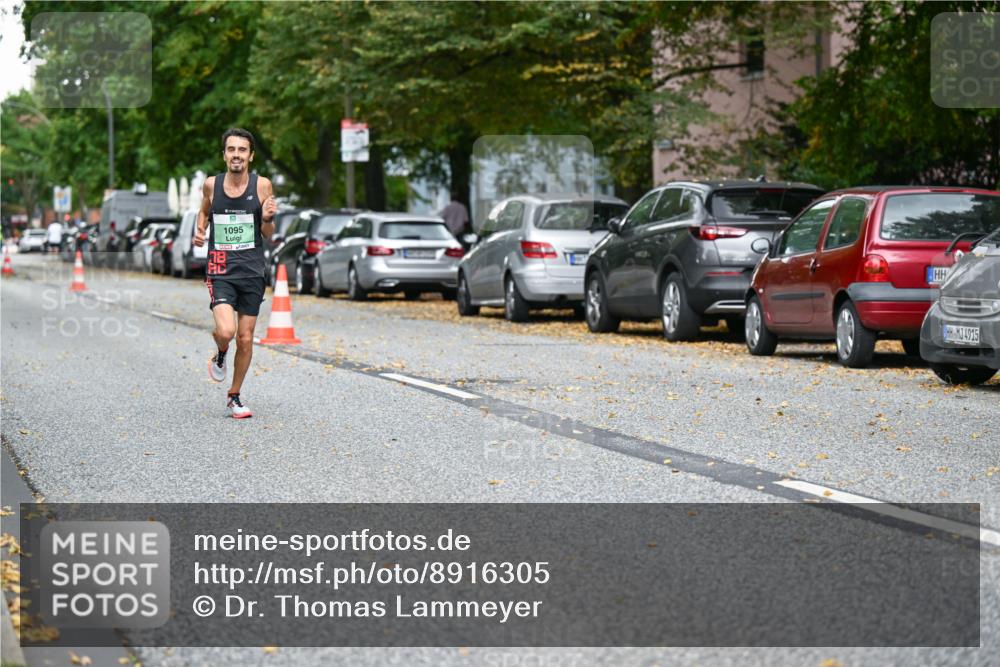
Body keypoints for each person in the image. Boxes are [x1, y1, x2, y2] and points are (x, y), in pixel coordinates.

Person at [193, 128, 277, 419]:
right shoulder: (211, 185)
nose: (237, 155)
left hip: (252, 270)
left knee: (245, 337)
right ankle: (220, 352)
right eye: (231, 149)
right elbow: (204, 210)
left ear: (251, 155)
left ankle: (234, 395)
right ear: (224, 154)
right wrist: (200, 228)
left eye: (242, 150)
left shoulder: (263, 185)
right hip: (220, 268)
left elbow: (268, 233)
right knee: (226, 331)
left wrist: (266, 219)